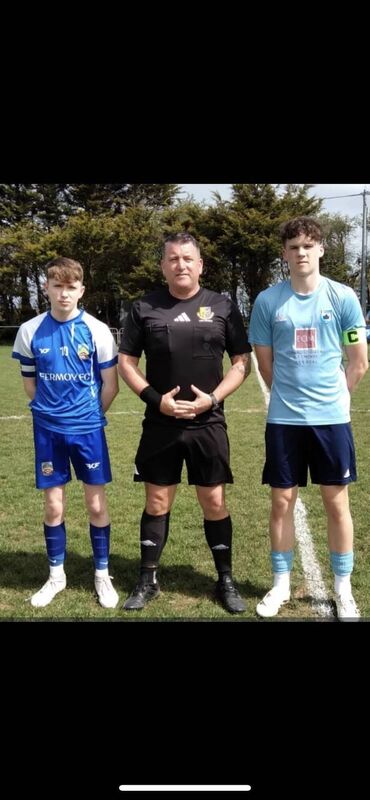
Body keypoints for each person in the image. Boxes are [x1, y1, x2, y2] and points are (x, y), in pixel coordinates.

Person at [118, 232, 251, 613]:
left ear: (200, 265)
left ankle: (225, 580)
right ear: (163, 266)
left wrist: (212, 399)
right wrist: (155, 400)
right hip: (160, 424)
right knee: (157, 500)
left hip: (208, 423)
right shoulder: (144, 307)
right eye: (173, 259)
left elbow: (242, 361)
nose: (181, 265)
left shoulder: (222, 305)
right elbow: (126, 362)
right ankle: (147, 579)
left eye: (188, 259)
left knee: (213, 501)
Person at [249, 216, 368, 621]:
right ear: (284, 254)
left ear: (320, 249)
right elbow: (265, 366)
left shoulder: (343, 297)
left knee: (337, 504)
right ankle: (281, 584)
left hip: (331, 421)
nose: (301, 252)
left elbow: (358, 362)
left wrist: (335, 399)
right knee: (281, 501)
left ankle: (343, 588)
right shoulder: (268, 302)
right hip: (284, 421)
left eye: (308, 245)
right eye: (293, 246)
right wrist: (293, 398)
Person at [12, 257, 120, 609]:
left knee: (94, 503)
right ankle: (56, 575)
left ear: (81, 290)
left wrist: (87, 415)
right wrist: (55, 415)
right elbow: (31, 385)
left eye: (71, 287)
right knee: (54, 505)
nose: (63, 294)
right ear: (46, 288)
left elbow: (110, 386)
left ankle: (102, 575)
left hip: (88, 430)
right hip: (48, 431)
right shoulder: (29, 330)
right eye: (57, 286)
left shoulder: (97, 330)